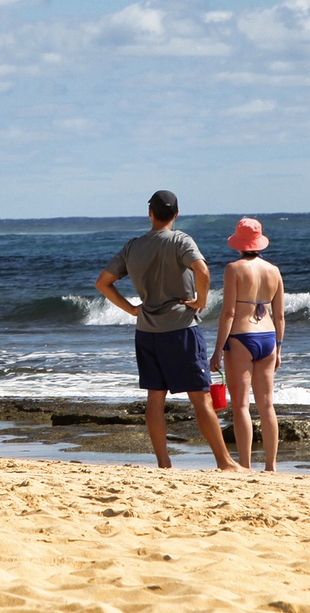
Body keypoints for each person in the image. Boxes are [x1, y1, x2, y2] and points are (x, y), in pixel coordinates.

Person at [96, 190, 242, 471]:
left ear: (150, 213)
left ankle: (164, 462)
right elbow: (203, 271)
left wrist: (131, 309)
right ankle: (224, 462)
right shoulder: (180, 240)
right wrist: (201, 301)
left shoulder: (133, 246)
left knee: (155, 397)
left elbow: (103, 283)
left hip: (147, 331)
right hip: (181, 329)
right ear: (176, 214)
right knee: (200, 397)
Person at [211, 217, 284, 471]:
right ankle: (271, 465)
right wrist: (280, 348)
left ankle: (245, 463)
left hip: (241, 337)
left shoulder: (234, 269)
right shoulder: (274, 271)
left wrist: (218, 350)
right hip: (268, 339)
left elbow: (228, 313)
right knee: (267, 404)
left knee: (241, 404)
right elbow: (280, 316)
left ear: (239, 243)